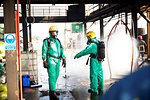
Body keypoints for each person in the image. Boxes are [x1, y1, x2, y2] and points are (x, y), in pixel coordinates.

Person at [42, 26, 66, 100]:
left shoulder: (58, 41)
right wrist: (44, 60)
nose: (54, 34)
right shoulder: (47, 41)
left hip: (58, 60)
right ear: (50, 33)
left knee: (56, 75)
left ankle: (52, 88)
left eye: (55, 32)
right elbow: (44, 51)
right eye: (53, 32)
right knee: (52, 76)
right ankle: (52, 92)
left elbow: (61, 50)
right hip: (51, 60)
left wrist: (64, 58)